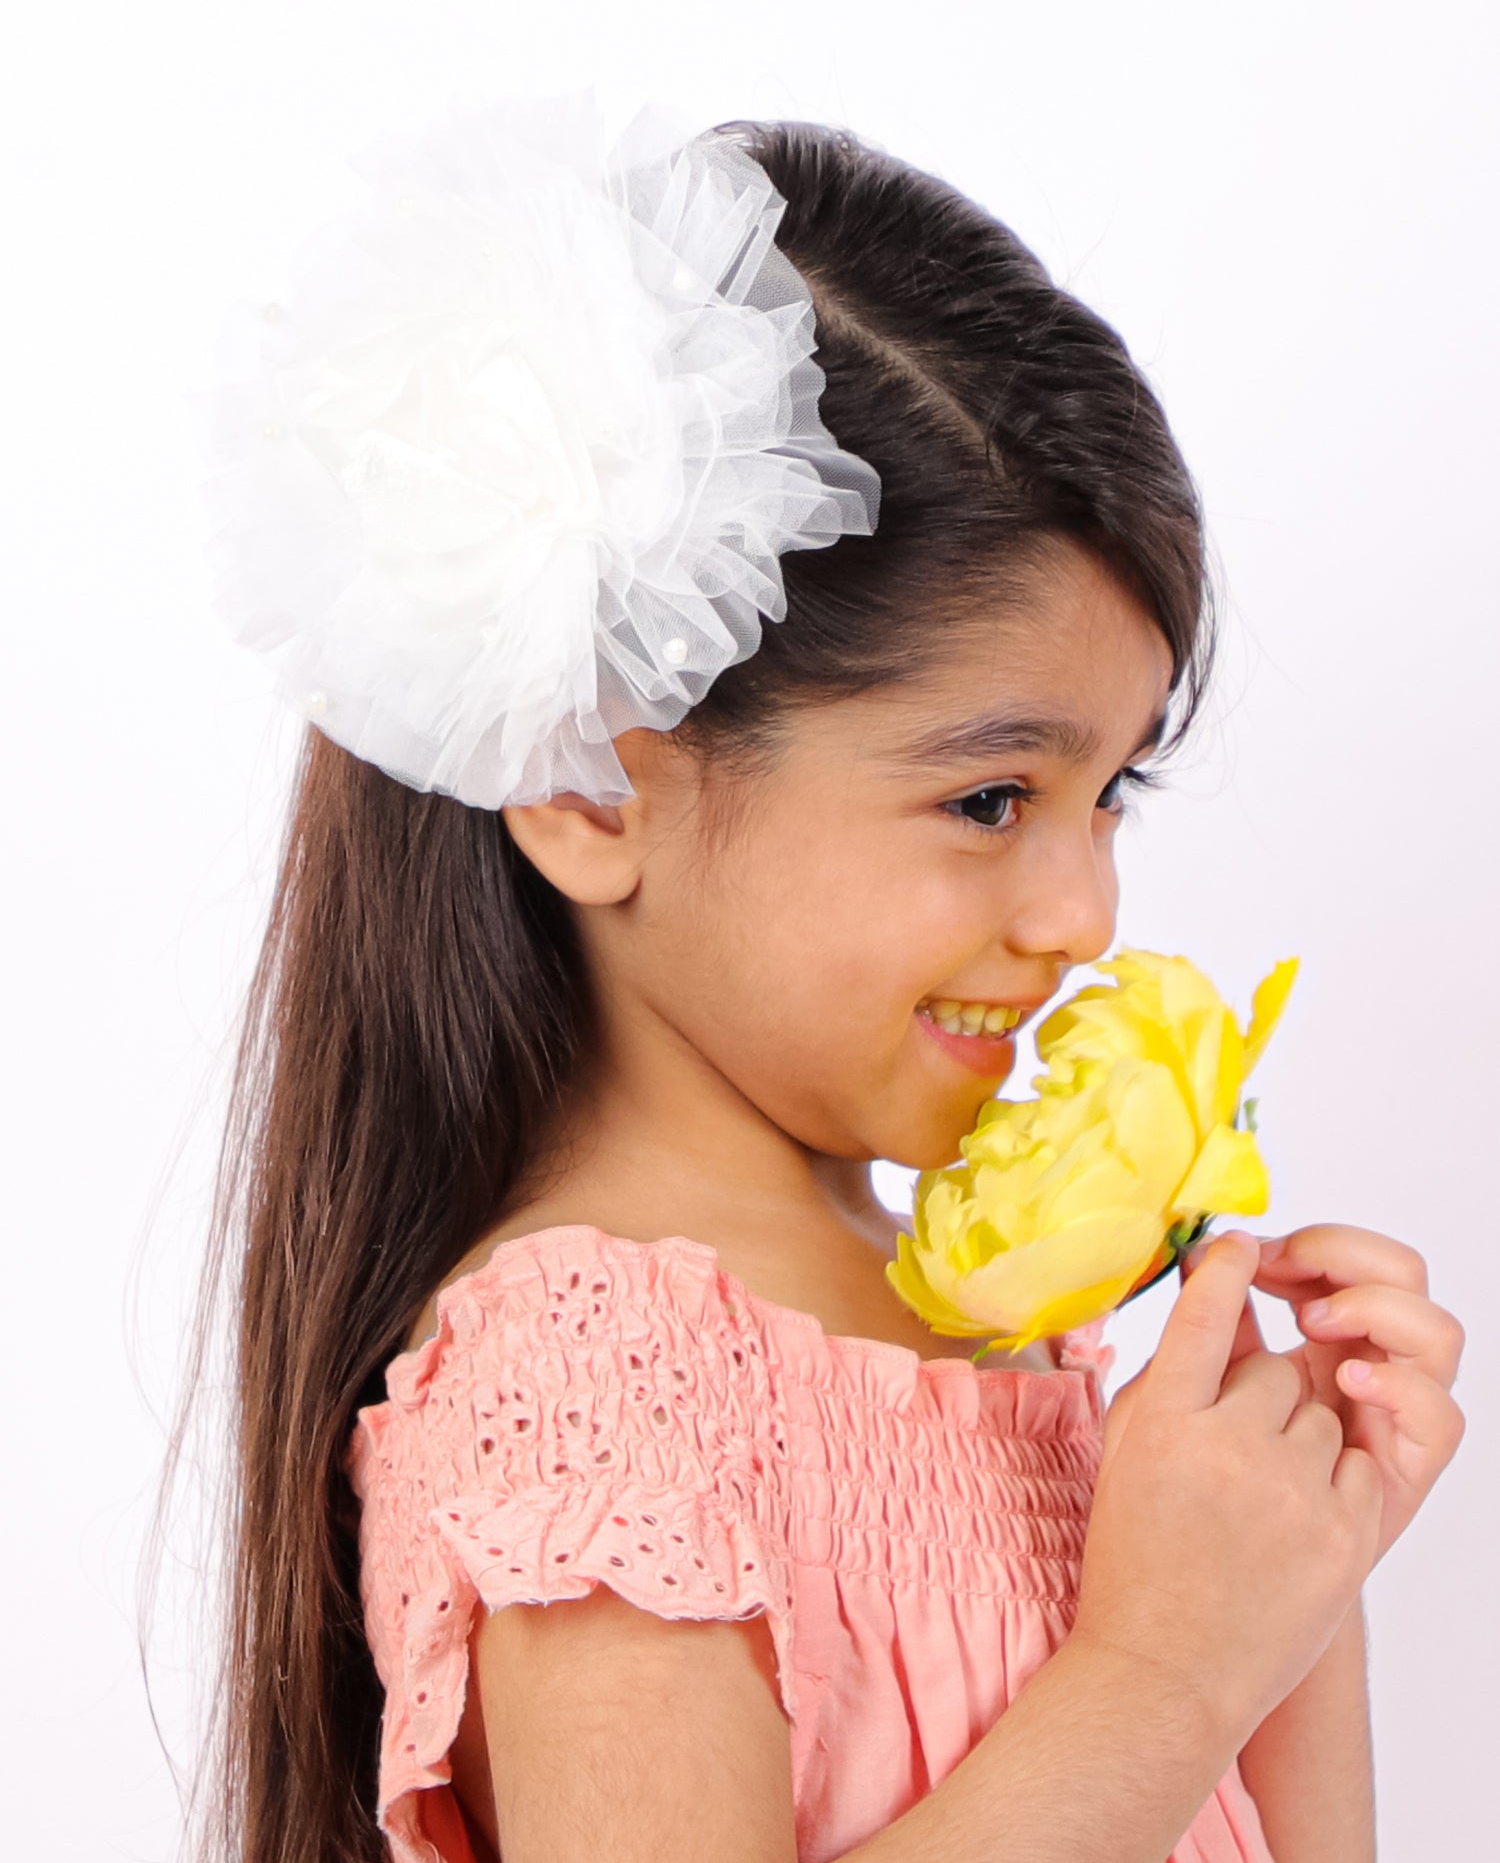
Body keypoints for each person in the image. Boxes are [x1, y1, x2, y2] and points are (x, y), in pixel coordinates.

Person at [184, 96, 1465, 1863]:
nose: (1085, 910)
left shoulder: (1001, 1325)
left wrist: (1297, 1592)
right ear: (587, 781)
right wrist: (1163, 1673)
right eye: (991, 797)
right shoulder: (594, 1378)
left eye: (1113, 795)